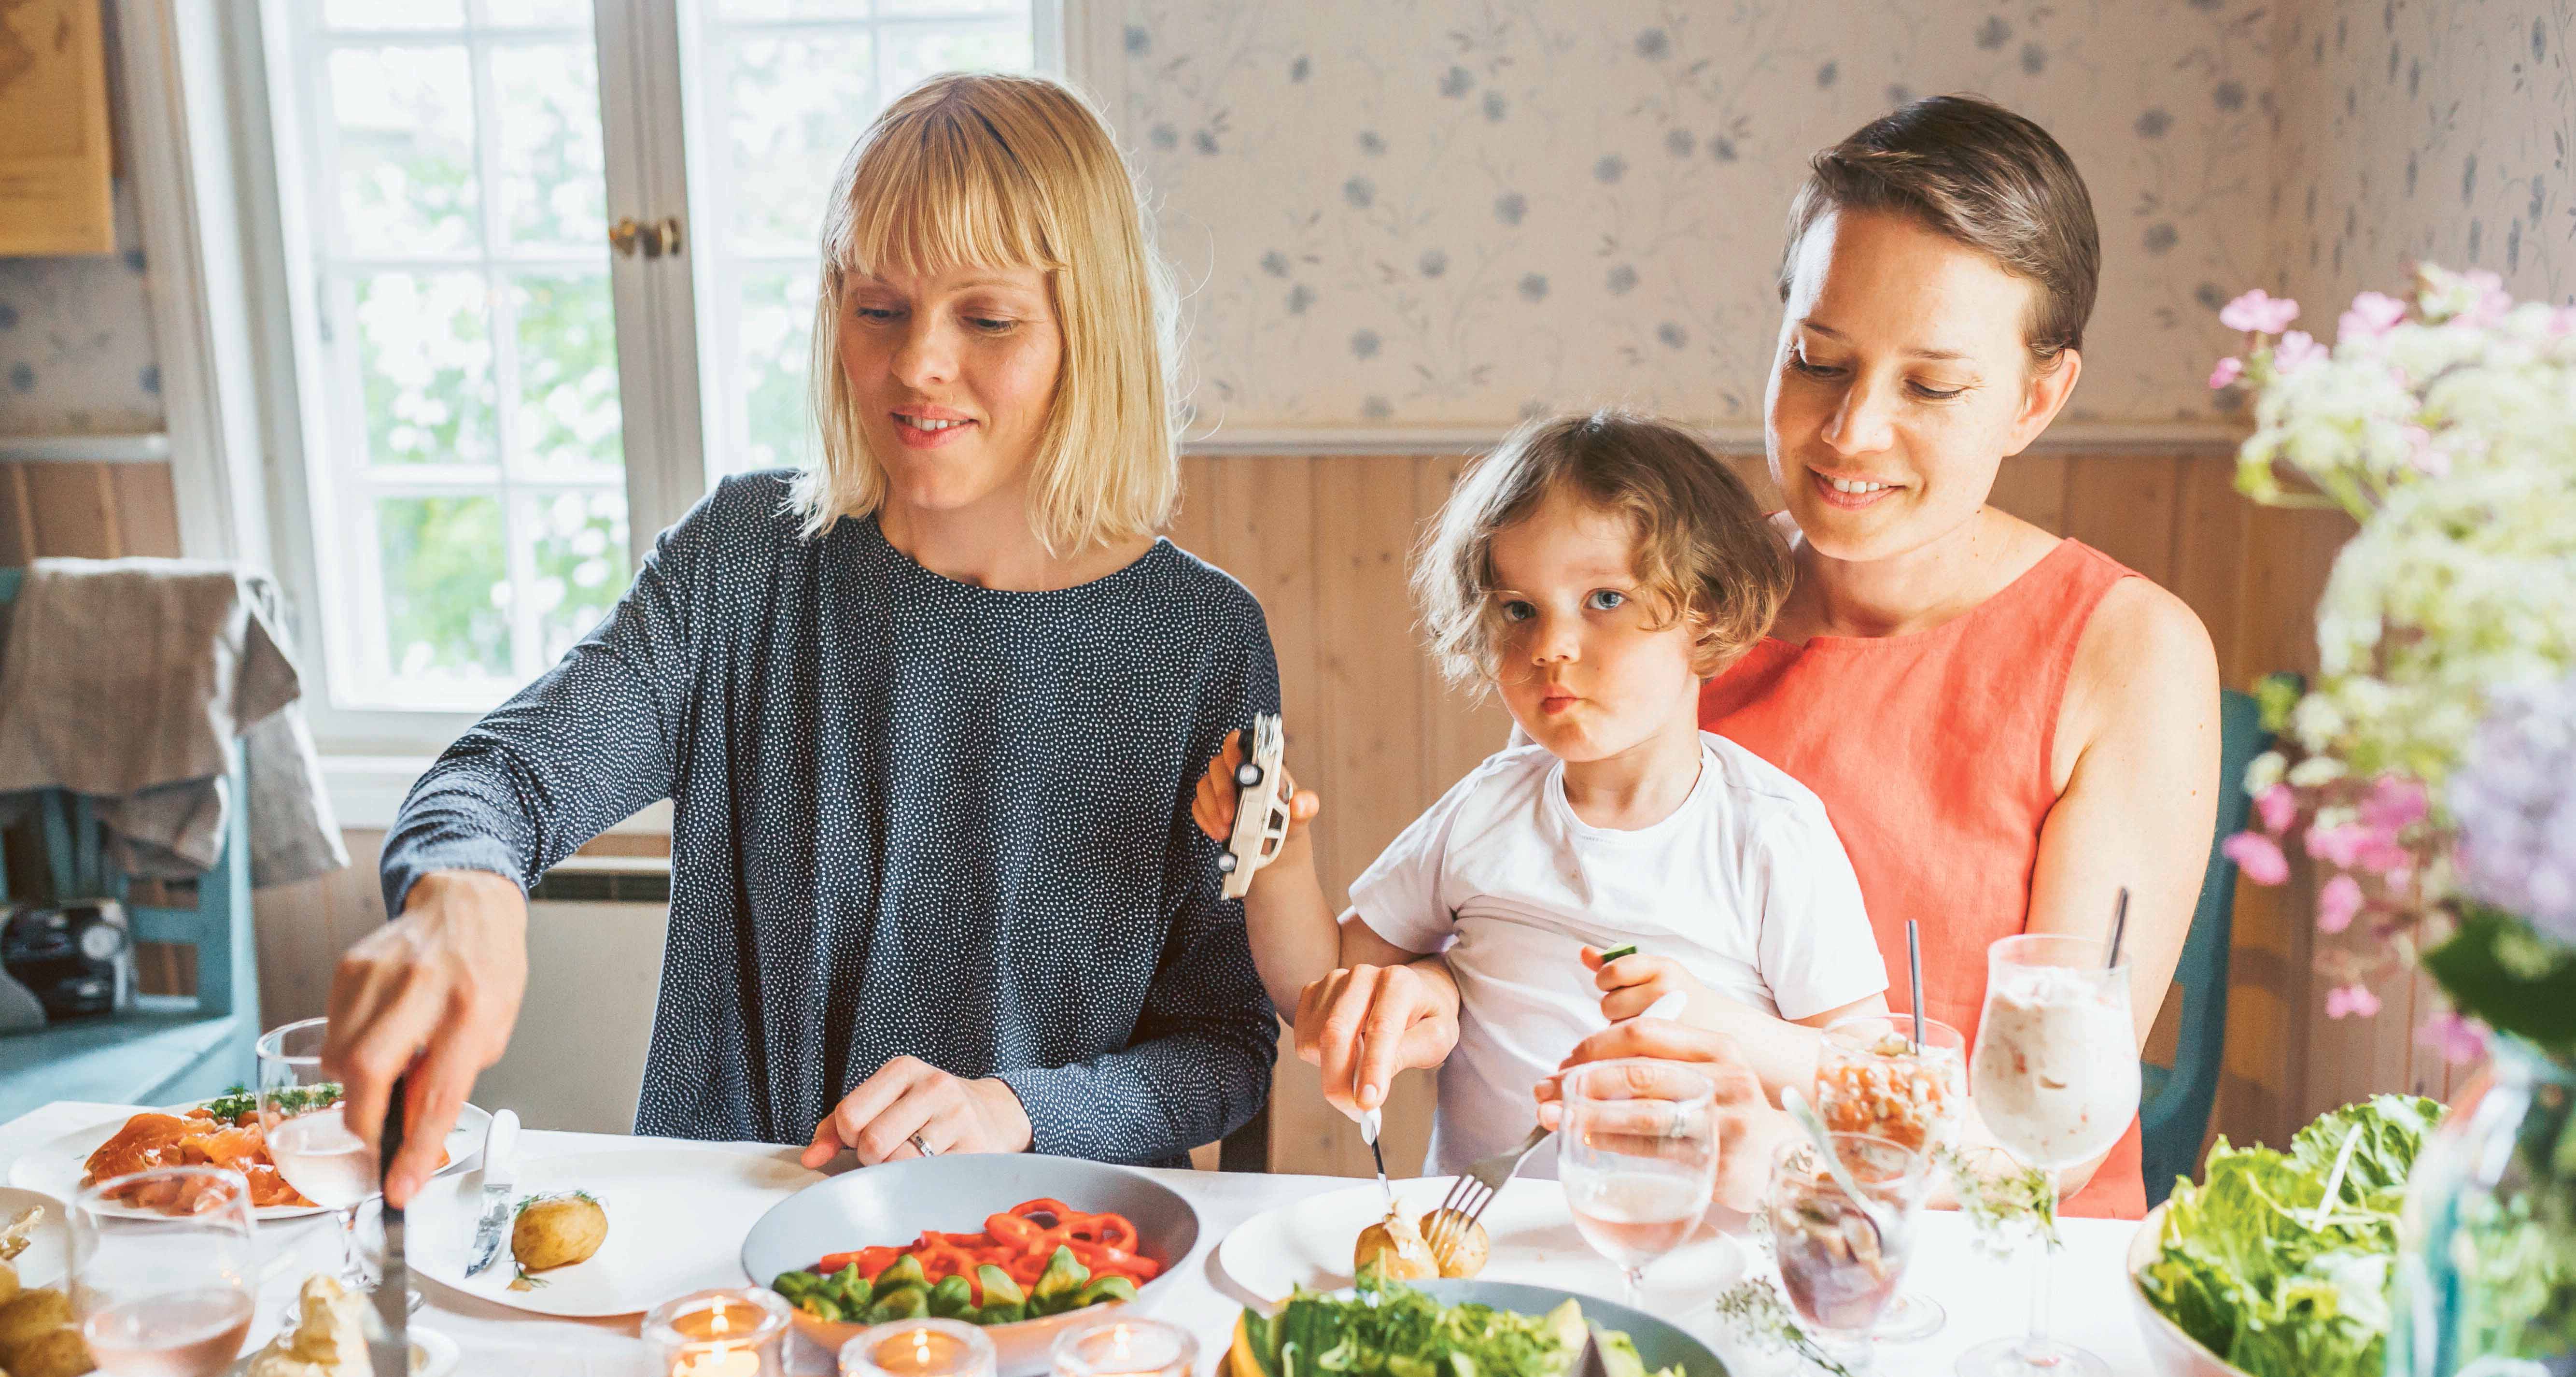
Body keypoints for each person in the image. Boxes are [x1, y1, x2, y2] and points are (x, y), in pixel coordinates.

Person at [326, 73, 1281, 1203]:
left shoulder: (1198, 640)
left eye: (987, 317)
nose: (919, 363)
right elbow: (501, 780)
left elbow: (1223, 1046)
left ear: (1093, 332)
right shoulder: (743, 561)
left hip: (1046, 1258)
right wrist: (463, 886)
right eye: (879, 307)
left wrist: (1010, 1109)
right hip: (727, 1245)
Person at [1551, 97, 2221, 1218]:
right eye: (1818, 360)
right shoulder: (1675, 607)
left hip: (1998, 1289)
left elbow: (2051, 1136)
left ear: (2036, 396)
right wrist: (1417, 981)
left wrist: (1791, 1161)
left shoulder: (2127, 652)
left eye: (1931, 386)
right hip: (1670, 1240)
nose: (1851, 431)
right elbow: (1553, 915)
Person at [1193, 411, 1890, 1188]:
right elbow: (1319, 985)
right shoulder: (1486, 811)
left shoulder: (1770, 832)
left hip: (1690, 1251)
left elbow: (1870, 1080)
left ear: (1708, 613)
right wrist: (1279, 864)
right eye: (1519, 610)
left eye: (1603, 599)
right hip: (1481, 1244)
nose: (1549, 646)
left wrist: (1715, 1020)